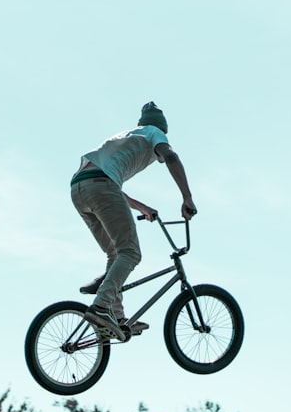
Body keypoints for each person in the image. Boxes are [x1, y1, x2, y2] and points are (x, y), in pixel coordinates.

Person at [70, 101, 197, 341]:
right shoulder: (153, 133)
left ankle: (115, 318)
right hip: (101, 186)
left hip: (79, 188)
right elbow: (171, 157)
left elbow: (104, 182)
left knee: (116, 255)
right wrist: (187, 197)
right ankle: (100, 307)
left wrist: (142, 207)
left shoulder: (128, 135)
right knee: (131, 253)